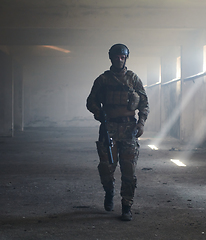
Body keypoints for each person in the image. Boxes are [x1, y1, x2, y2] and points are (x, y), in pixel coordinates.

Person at [86, 43, 149, 221]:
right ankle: (109, 191)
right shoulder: (103, 80)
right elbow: (91, 101)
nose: (119, 60)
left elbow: (144, 102)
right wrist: (99, 114)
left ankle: (127, 206)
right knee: (107, 167)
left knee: (129, 170)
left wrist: (141, 123)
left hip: (129, 128)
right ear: (111, 58)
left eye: (122, 57)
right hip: (109, 128)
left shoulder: (133, 79)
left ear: (126, 58)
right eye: (116, 57)